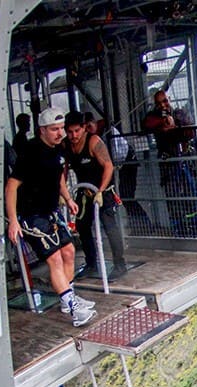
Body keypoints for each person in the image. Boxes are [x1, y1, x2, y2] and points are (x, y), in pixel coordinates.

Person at [5, 107, 96, 327]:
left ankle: (68, 298)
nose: (60, 133)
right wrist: (14, 220)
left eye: (60, 129)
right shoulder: (30, 152)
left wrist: (69, 199)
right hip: (31, 215)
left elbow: (59, 180)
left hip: (51, 212)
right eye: (54, 129)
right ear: (42, 130)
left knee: (69, 251)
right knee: (54, 258)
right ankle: (74, 309)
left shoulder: (58, 151)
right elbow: (11, 186)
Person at [63, 110, 128, 280]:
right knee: (82, 226)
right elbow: (62, 170)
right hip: (84, 193)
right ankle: (91, 263)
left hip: (102, 191)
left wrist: (100, 191)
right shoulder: (66, 145)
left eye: (77, 131)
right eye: (69, 132)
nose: (73, 135)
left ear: (84, 127)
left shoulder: (93, 141)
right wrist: (62, 193)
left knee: (110, 227)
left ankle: (120, 264)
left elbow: (108, 166)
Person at [142, 89, 197, 233]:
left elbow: (190, 130)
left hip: (184, 161)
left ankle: (196, 227)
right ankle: (179, 230)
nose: (163, 105)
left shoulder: (179, 113)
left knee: (191, 194)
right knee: (172, 198)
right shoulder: (153, 117)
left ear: (170, 99)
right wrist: (163, 124)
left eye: (165, 101)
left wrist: (175, 127)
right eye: (159, 103)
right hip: (168, 164)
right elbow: (146, 124)